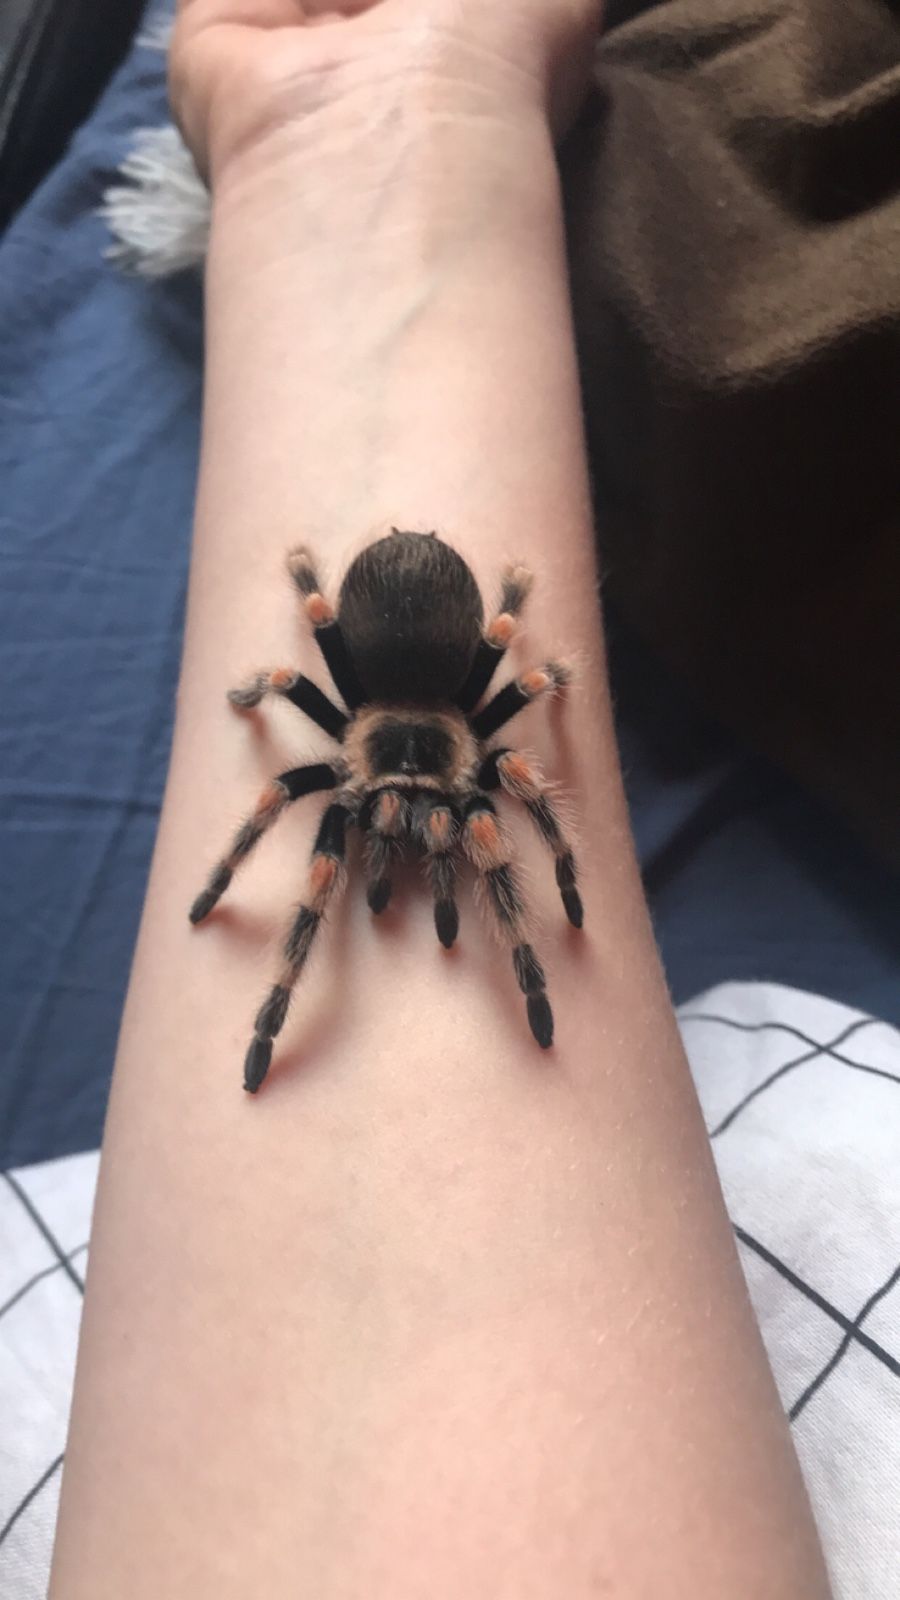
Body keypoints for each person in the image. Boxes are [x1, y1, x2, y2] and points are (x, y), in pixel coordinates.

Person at [49, 2, 832, 1594]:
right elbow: (291, 742)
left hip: (417, 652)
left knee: (442, 783)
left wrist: (554, 893)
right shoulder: (371, 745)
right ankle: (276, 1009)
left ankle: (354, 152)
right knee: (315, 827)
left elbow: (524, 719)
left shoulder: (481, 742)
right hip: (403, 654)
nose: (409, 821)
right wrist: (244, 862)